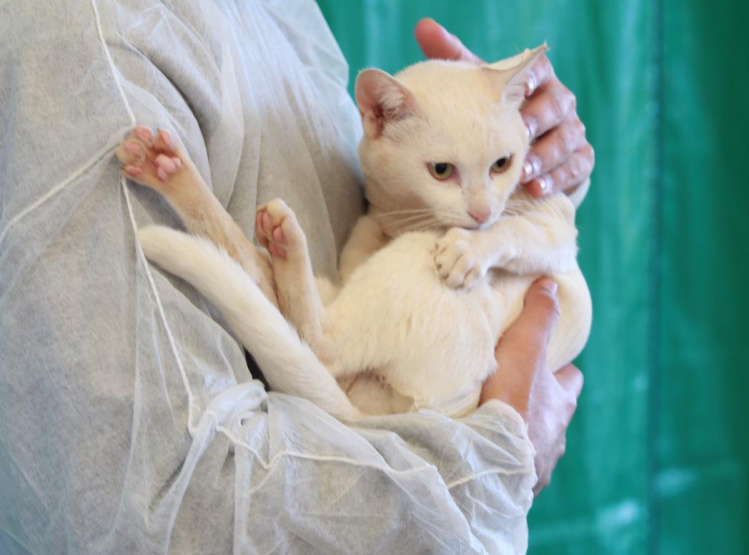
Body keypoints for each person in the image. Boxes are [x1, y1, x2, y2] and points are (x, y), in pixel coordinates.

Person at [0, 2, 593, 553]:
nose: (482, 206)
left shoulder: (279, 13)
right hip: (393, 387)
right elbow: (161, 507)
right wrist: (492, 461)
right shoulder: (88, 38)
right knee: (346, 310)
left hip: (385, 360)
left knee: (325, 305)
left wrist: (538, 169)